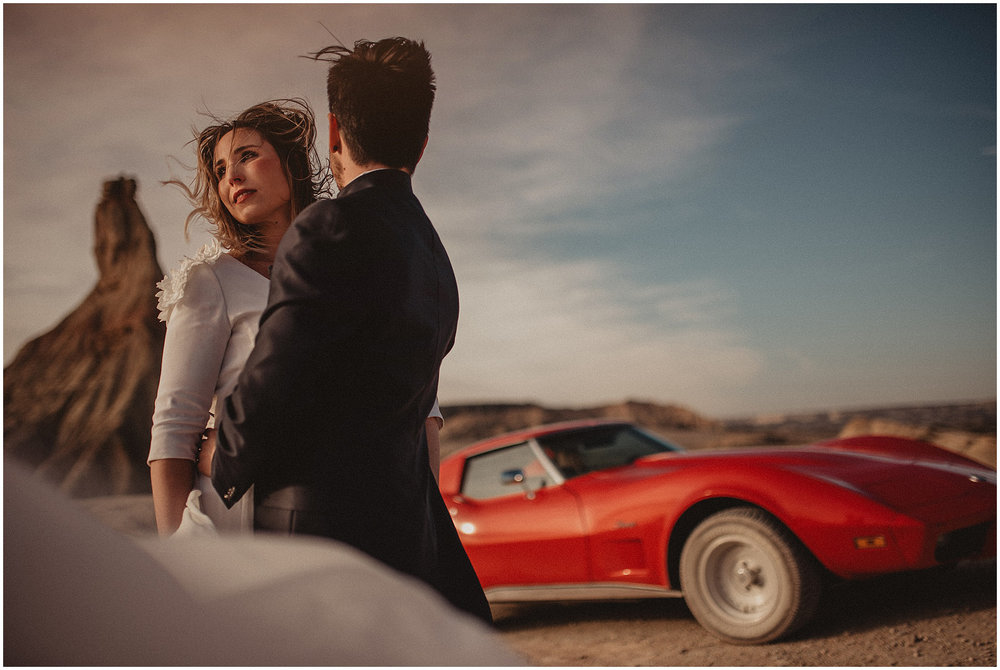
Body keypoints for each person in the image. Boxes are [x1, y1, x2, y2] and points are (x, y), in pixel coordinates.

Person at [200, 37, 492, 623]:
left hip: (318, 540)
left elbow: (274, 382)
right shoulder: (436, 256)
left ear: (335, 132)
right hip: (406, 536)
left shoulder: (329, 225)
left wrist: (217, 452)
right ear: (423, 144)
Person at [148, 99, 446, 536]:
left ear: (292, 163)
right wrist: (176, 558)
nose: (231, 176)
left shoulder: (359, 272)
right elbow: (175, 425)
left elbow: (420, 412)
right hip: (241, 524)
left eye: (247, 156)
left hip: (360, 521)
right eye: (220, 169)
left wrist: (423, 532)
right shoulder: (211, 281)